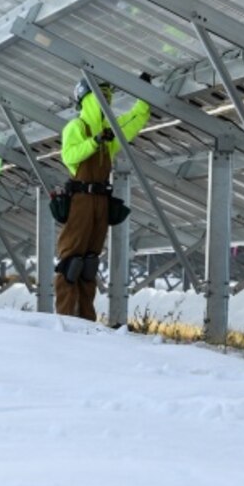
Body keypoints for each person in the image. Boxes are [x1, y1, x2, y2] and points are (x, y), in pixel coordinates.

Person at [55, 73, 151, 321]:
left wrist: (142, 93)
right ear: (87, 98)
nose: (105, 101)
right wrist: (94, 142)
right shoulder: (76, 127)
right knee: (71, 261)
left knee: (89, 263)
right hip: (80, 199)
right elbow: (70, 155)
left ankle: (86, 319)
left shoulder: (109, 133)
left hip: (100, 200)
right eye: (100, 96)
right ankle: (65, 317)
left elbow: (134, 120)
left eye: (108, 96)